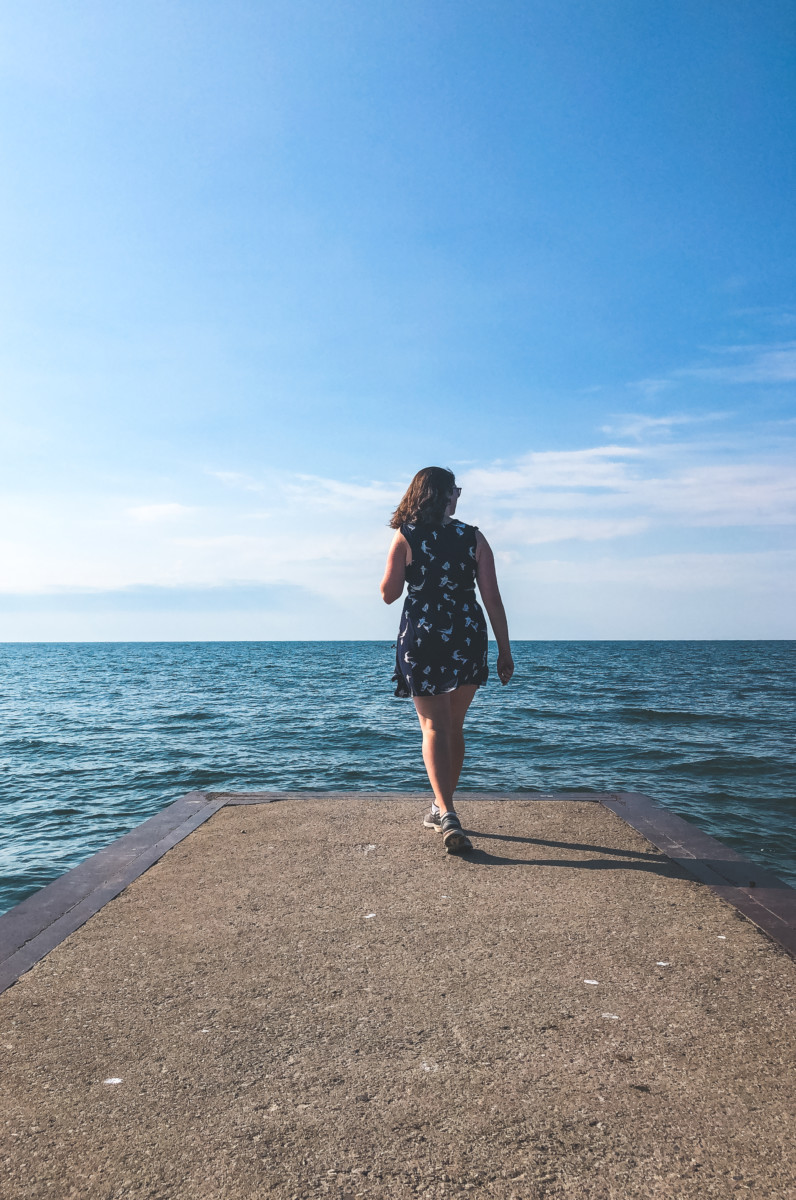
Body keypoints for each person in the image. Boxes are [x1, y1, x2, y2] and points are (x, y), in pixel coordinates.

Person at [380, 466, 514, 853]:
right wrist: (505, 650)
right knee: (454, 726)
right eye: (455, 489)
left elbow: (388, 594)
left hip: (422, 636)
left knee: (434, 728)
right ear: (443, 495)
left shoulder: (406, 535)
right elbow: (492, 598)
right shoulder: (473, 537)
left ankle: (448, 811)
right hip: (466, 633)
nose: (458, 495)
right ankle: (441, 806)